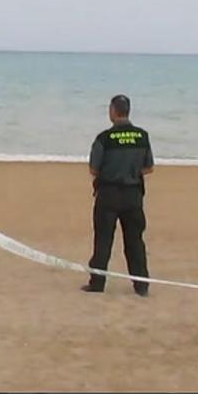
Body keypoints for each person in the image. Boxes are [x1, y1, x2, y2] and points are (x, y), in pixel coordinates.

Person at [82, 94, 154, 297]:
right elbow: (148, 167)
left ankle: (97, 283)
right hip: (133, 195)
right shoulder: (142, 136)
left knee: (103, 240)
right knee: (135, 242)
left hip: (108, 193)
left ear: (113, 111)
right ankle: (141, 285)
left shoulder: (104, 138)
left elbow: (93, 170)